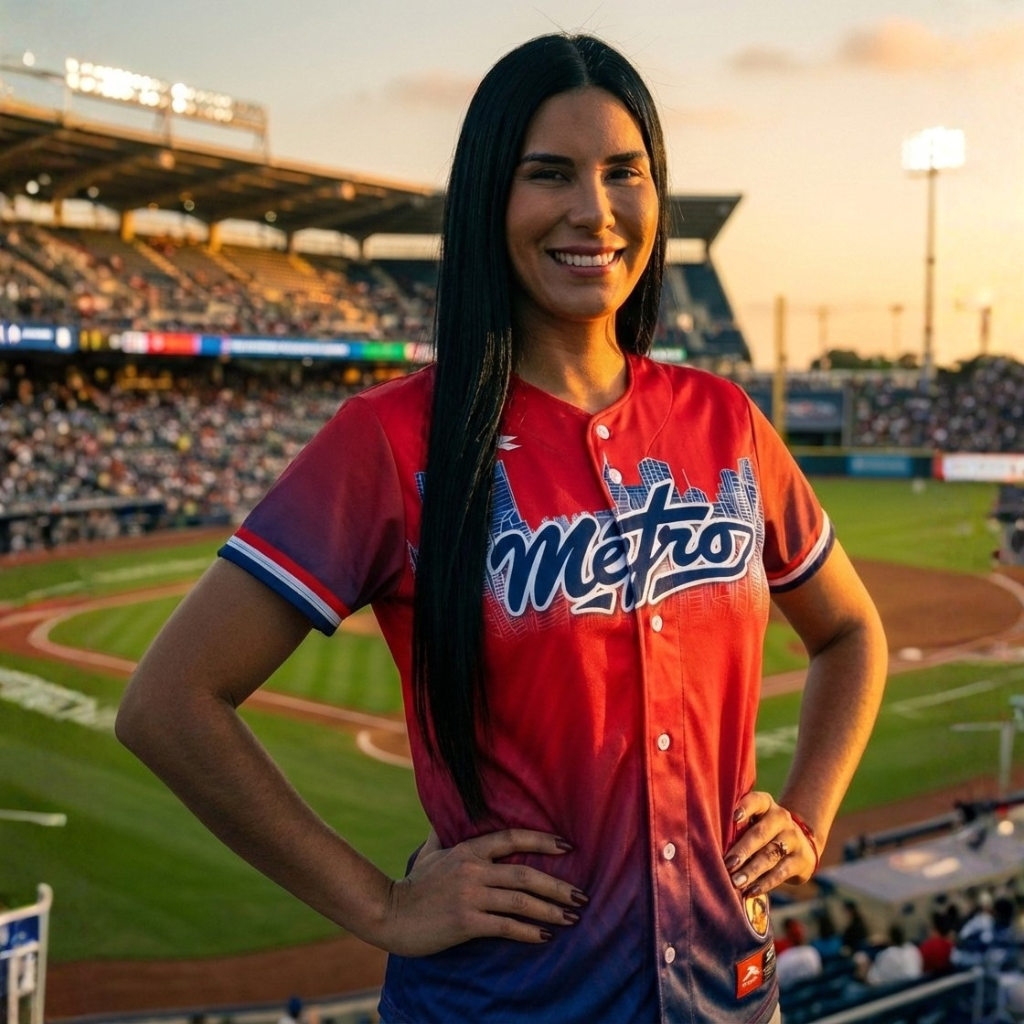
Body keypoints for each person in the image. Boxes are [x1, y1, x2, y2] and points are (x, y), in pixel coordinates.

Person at [115, 32, 888, 1024]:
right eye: (549, 175)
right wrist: (381, 904)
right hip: (500, 1001)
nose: (592, 210)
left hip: (729, 994)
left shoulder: (724, 422)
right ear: (490, 196)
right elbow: (169, 702)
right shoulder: (390, 440)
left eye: (623, 173)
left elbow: (851, 631)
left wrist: (809, 814)